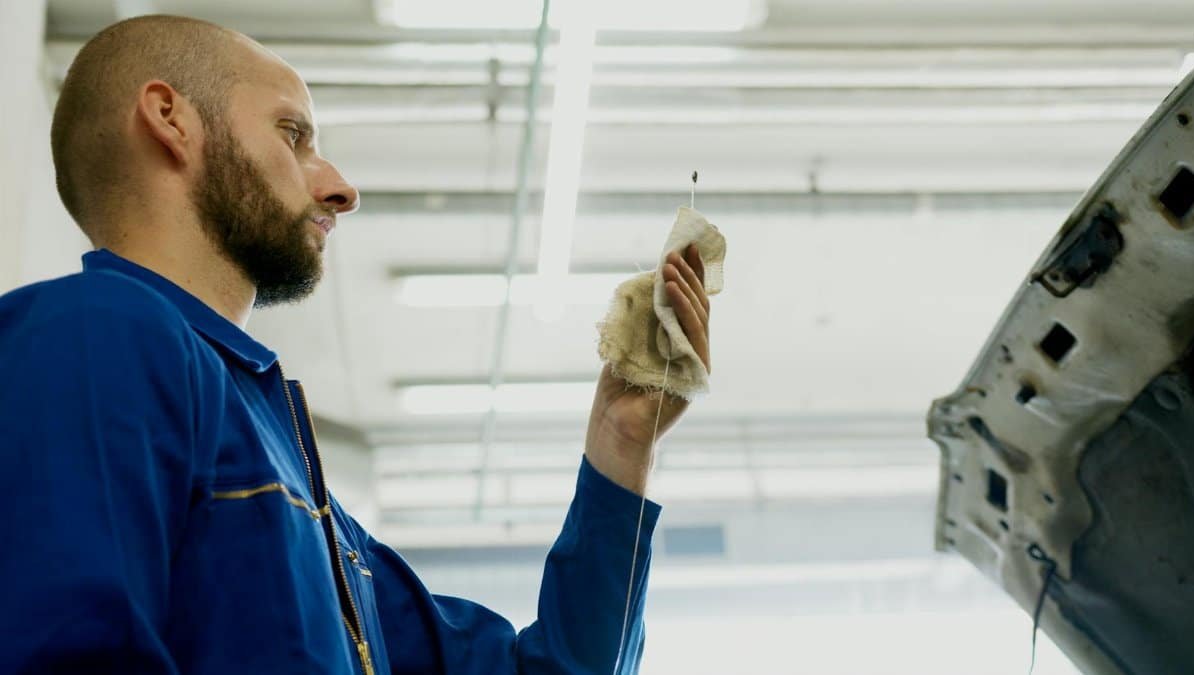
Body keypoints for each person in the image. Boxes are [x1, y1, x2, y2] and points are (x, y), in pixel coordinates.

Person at [0, 14, 714, 675]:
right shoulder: (93, 330)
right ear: (170, 119)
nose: (341, 189)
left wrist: (624, 442)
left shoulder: (314, 511)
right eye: (294, 134)